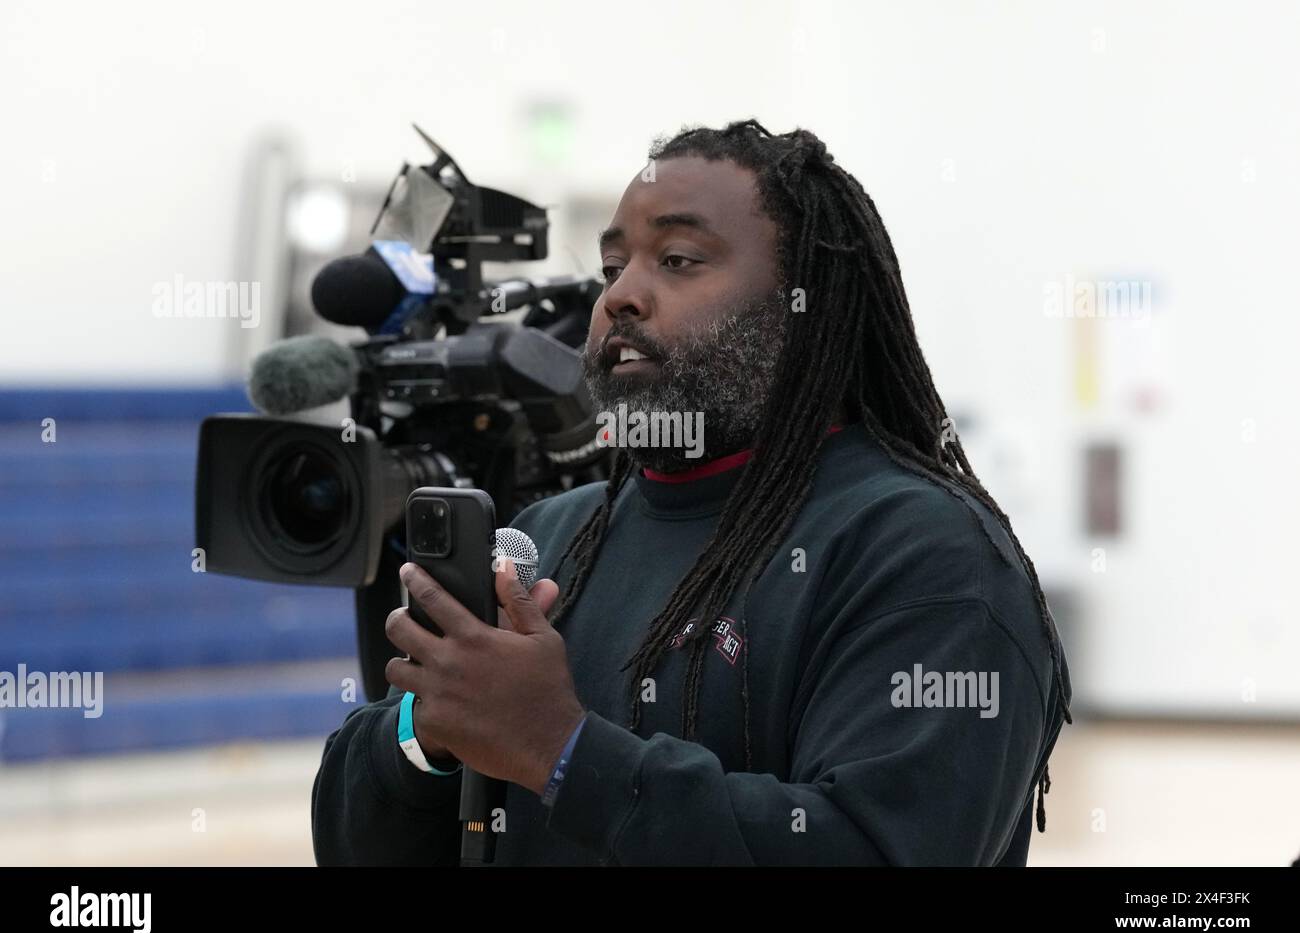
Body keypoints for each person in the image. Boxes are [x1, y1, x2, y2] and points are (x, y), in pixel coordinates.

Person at [311, 119, 1072, 866]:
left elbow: (872, 845)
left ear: (807, 305)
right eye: (613, 268)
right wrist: (426, 736)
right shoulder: (549, 536)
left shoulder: (925, 555)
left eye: (677, 259)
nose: (622, 297)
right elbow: (355, 842)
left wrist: (563, 751)